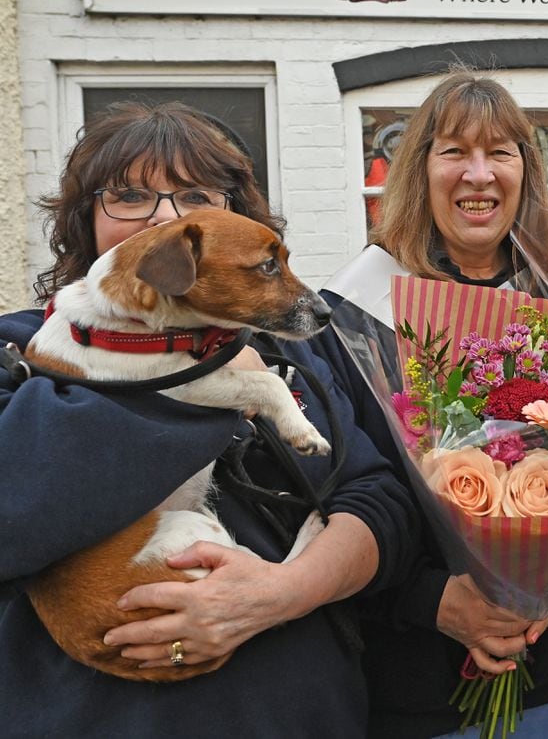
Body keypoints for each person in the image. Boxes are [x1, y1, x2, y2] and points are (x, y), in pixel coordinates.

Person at [0, 101, 419, 736]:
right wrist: (206, 383)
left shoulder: (282, 353)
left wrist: (284, 593)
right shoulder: (24, 354)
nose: (169, 216)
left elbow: (380, 501)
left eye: (196, 194)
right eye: (131, 196)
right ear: (85, 220)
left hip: (304, 716)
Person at [315, 70, 548, 738]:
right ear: (419, 171)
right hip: (415, 682)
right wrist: (437, 601)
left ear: (525, 174)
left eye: (500, 152)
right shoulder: (355, 318)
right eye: (453, 151)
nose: (478, 174)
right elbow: (337, 497)